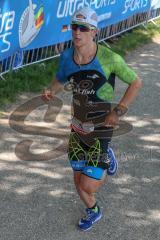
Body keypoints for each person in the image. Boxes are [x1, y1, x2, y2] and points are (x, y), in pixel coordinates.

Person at [42, 6, 142, 231]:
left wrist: (118, 111)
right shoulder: (67, 56)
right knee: (77, 182)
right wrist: (51, 91)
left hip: (101, 128)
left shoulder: (109, 58)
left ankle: (106, 156)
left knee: (88, 185)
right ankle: (93, 211)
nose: (77, 32)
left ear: (94, 31)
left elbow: (136, 82)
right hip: (77, 127)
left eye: (84, 28)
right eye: (74, 27)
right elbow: (61, 78)